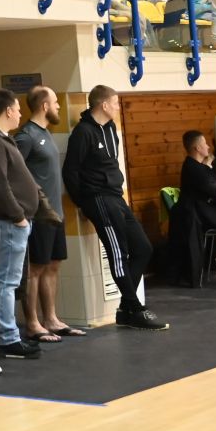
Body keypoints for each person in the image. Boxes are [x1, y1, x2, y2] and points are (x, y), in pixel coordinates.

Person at [63, 85, 169, 328]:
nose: (117, 107)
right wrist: (82, 202)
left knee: (143, 248)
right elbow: (70, 171)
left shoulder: (111, 128)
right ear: (103, 105)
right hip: (98, 197)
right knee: (118, 252)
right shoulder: (83, 132)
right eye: (114, 103)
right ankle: (135, 308)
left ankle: (126, 307)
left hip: (115, 196)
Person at [0, 89, 52, 360]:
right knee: (6, 282)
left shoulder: (2, 138)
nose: (20, 114)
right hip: (7, 222)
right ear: (8, 111)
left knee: (9, 281)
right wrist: (18, 215)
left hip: (13, 221)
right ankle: (8, 338)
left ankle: (10, 336)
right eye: (18, 109)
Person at [14, 86, 79, 343]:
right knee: (35, 268)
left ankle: (51, 318)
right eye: (54, 102)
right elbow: (14, 173)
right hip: (38, 215)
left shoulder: (46, 133)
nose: (58, 106)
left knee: (53, 265)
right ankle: (32, 323)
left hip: (55, 213)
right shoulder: (26, 137)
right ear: (44, 106)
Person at [169, 129, 216, 286]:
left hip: (207, 212)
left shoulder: (197, 166)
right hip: (204, 216)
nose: (208, 147)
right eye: (205, 144)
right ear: (197, 148)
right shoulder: (194, 169)